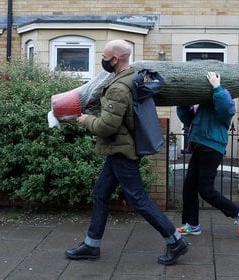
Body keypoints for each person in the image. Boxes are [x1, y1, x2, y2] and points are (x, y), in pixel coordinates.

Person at [65, 39, 188, 265]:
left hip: (123, 152)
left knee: (138, 200)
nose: (103, 59)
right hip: (119, 149)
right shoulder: (131, 77)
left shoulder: (119, 88)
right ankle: (91, 245)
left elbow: (106, 126)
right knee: (101, 193)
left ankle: (175, 240)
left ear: (116, 59)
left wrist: (85, 120)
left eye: (105, 56)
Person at [176, 71, 239, 236]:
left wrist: (217, 88)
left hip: (212, 148)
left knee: (206, 190)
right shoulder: (200, 104)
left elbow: (228, 110)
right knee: (189, 187)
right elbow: (187, 119)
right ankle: (192, 224)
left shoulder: (223, 97)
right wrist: (182, 102)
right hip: (198, 146)